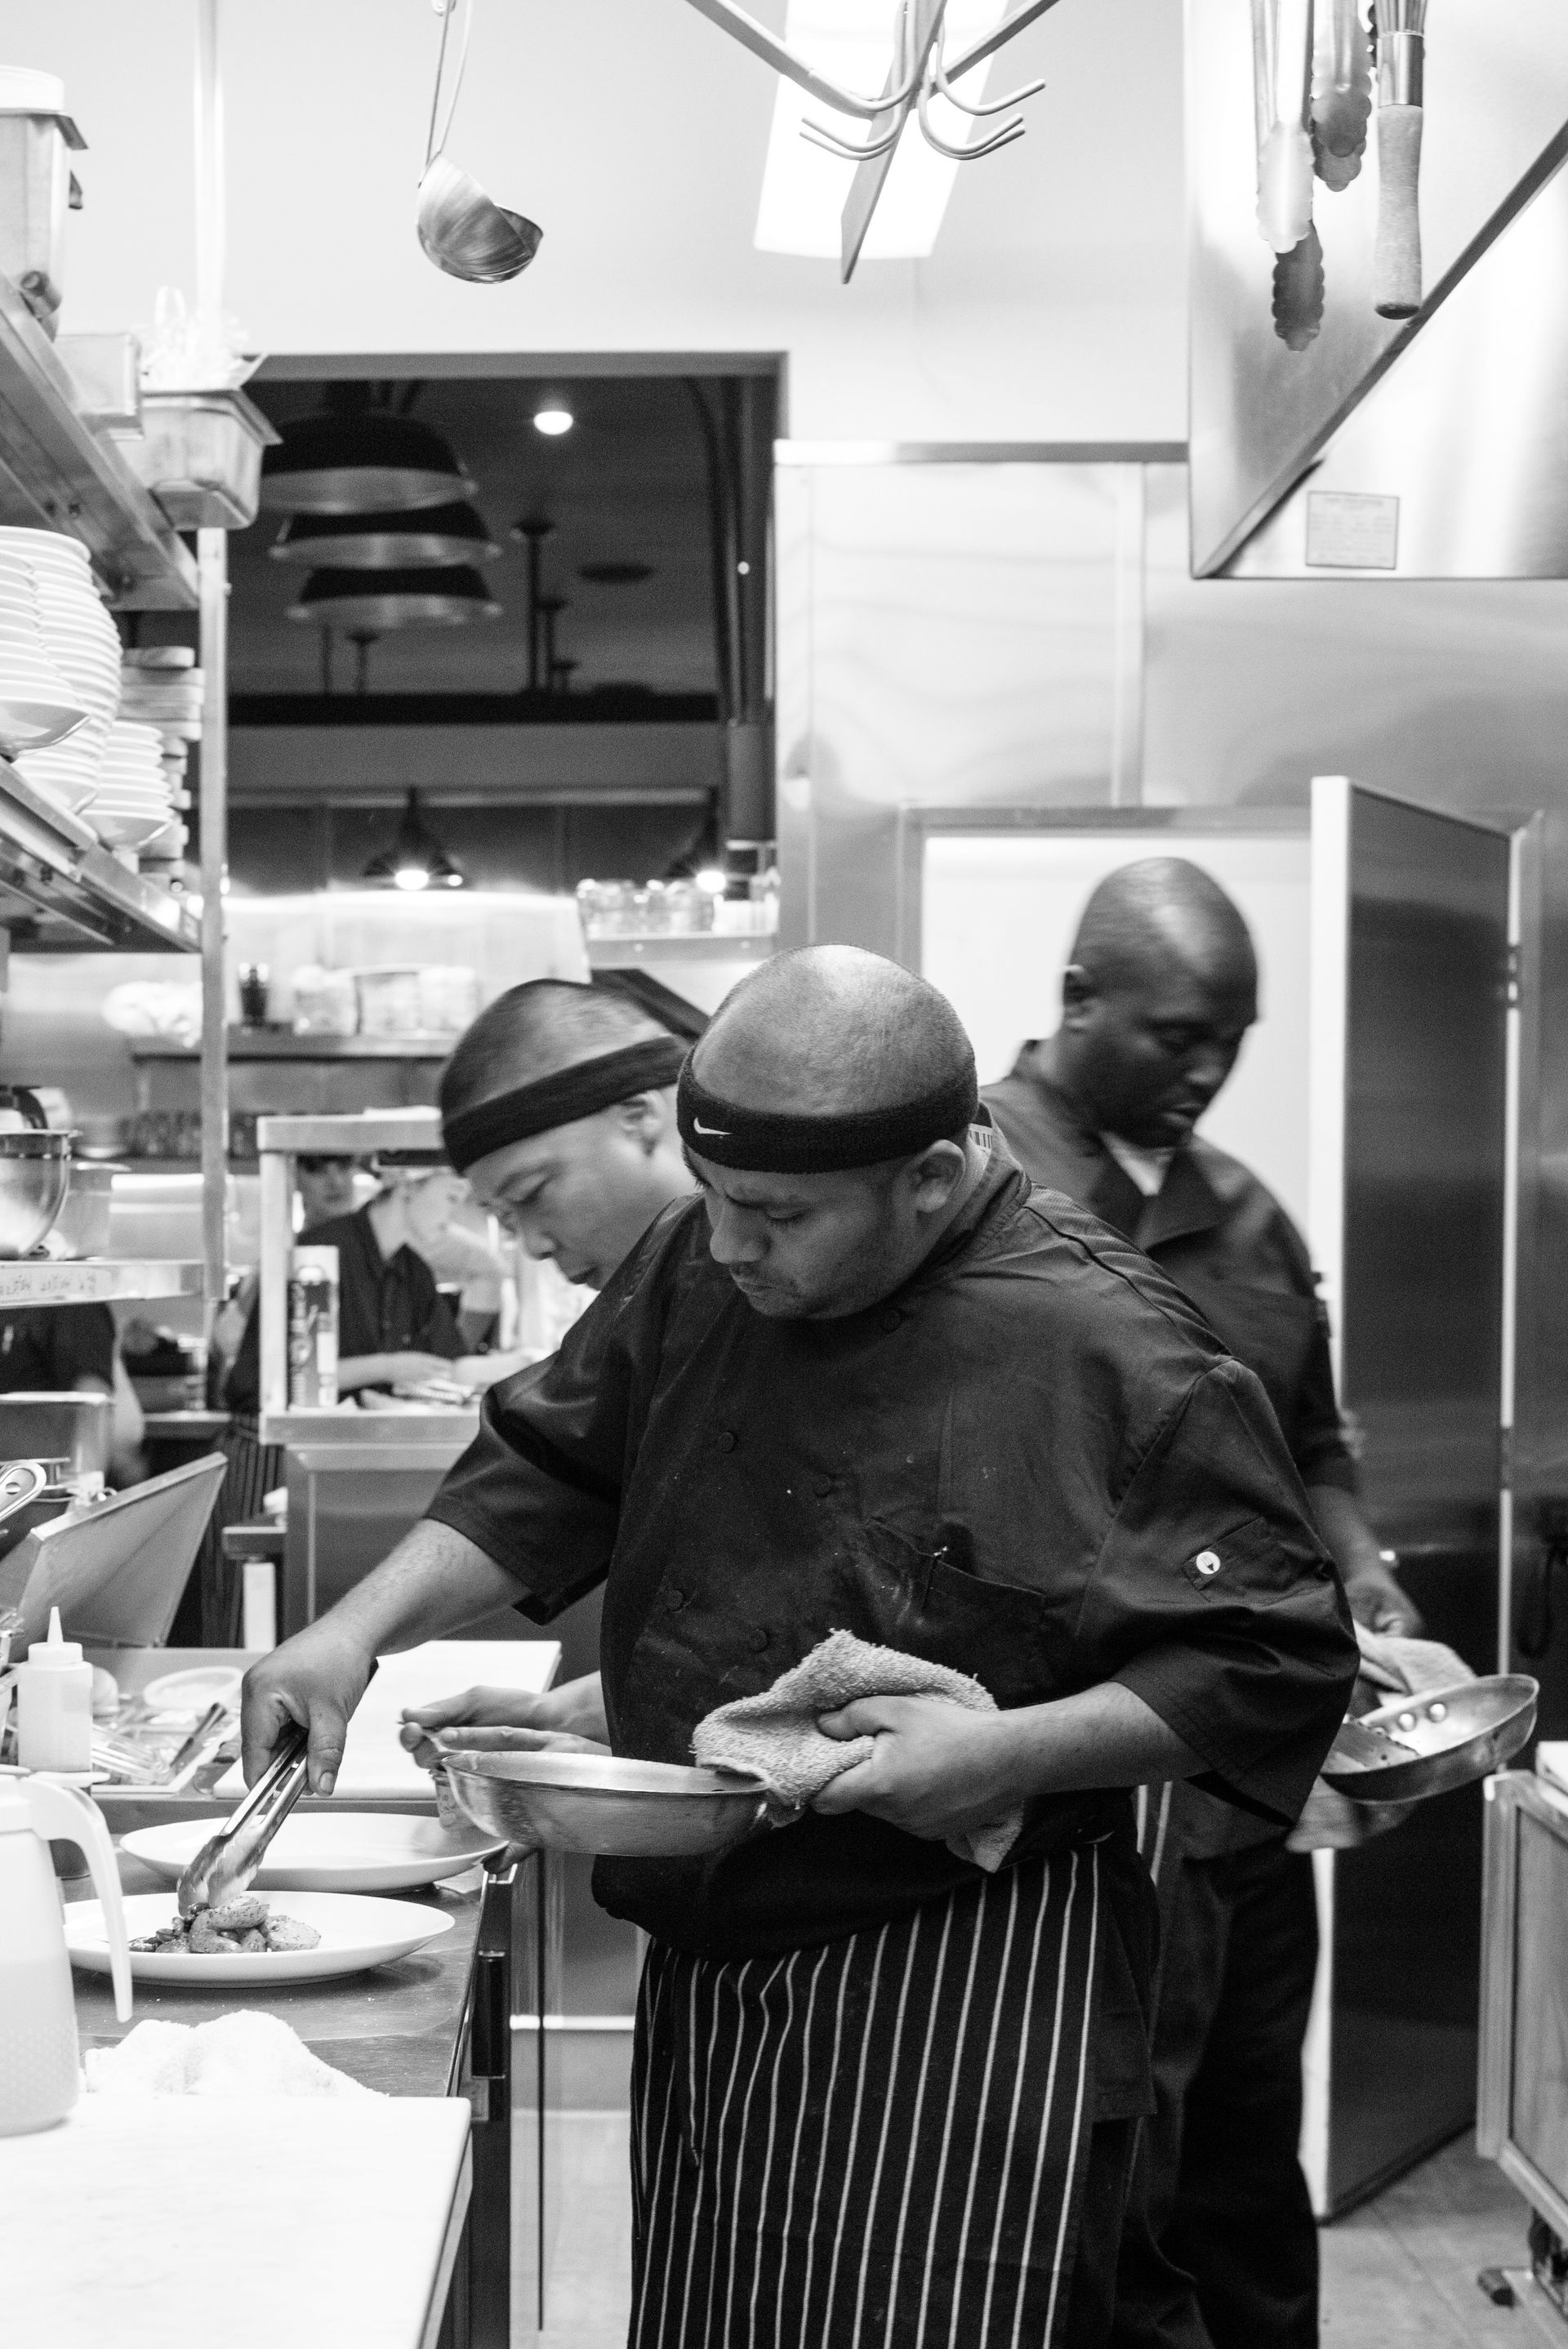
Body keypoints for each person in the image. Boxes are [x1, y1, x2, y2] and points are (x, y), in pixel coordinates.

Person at [243, 944, 1358, 2349]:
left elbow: (1274, 1663)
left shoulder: (1121, 1358)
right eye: (711, 1203)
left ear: (933, 1182)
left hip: (962, 1986)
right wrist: (349, 1632)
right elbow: (550, 1471)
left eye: (773, 1215)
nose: (725, 1248)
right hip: (716, 1960)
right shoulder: (708, 1260)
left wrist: (1003, 1753)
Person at [982, 856, 1417, 2349]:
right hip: (1086, 1791)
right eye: (1178, 1035)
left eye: (1236, 1040)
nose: (1210, 1072)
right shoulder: (973, 1184)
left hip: (1250, 1791)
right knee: (1117, 2168)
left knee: (1242, 2153)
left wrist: (1358, 1574)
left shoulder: (1247, 1215)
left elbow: (1316, 1446)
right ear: (1079, 999)